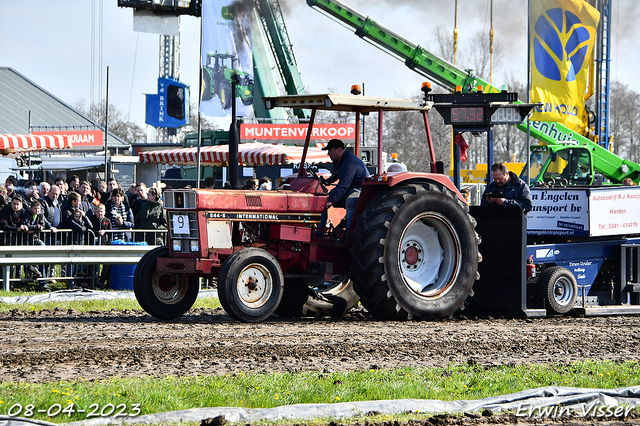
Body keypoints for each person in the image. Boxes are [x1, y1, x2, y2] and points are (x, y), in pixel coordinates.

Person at [318, 138, 370, 236]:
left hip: (360, 189)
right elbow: (338, 175)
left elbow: (343, 185)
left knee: (350, 201)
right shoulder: (338, 161)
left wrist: (331, 200)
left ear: (339, 150)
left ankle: (349, 234)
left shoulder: (350, 162)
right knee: (322, 200)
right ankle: (320, 230)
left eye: (330, 151)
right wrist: (328, 181)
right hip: (349, 188)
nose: (328, 154)